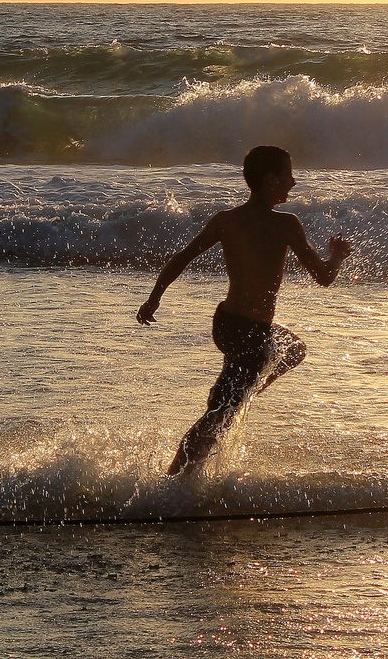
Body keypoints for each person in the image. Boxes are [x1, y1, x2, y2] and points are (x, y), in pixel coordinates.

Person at [136, 145, 352, 476]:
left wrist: (154, 298)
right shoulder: (286, 224)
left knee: (289, 352)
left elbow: (182, 257)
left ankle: (235, 398)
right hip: (249, 331)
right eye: (288, 175)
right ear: (270, 179)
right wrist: (336, 255)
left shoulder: (227, 220)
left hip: (228, 323)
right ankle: (175, 480)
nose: (293, 182)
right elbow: (324, 277)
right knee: (224, 410)